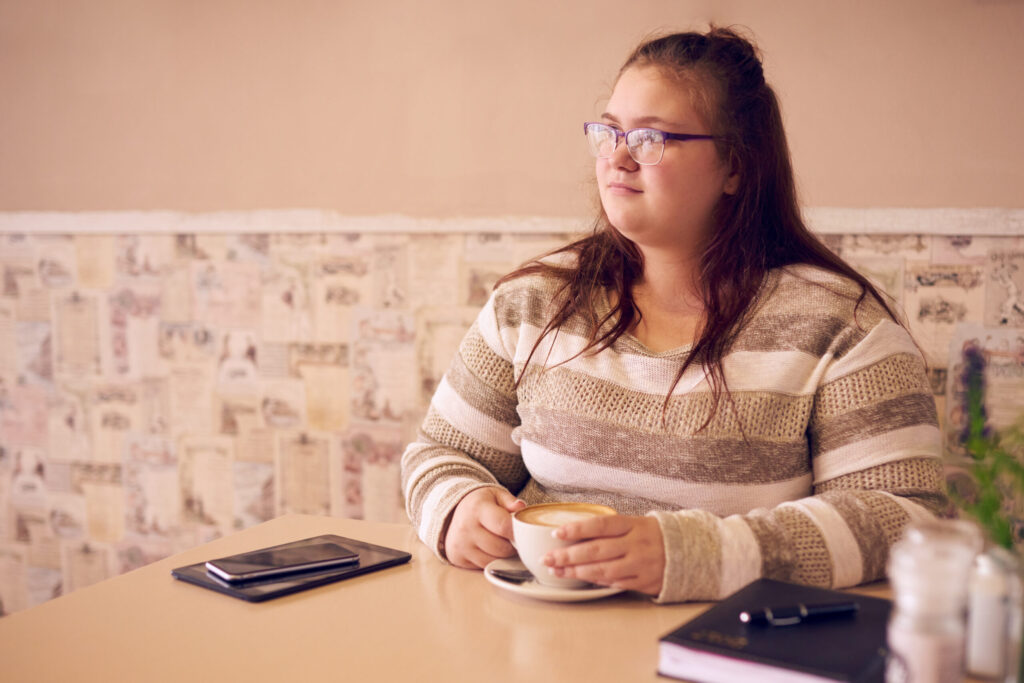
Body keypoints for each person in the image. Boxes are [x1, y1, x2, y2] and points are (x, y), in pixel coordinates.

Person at [400, 26, 948, 603]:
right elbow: (440, 455)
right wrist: (456, 506)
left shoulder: (843, 327)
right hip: (528, 647)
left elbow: (905, 518)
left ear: (735, 167)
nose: (617, 157)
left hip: (721, 652)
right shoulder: (534, 302)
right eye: (609, 131)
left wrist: (697, 555)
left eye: (650, 138)